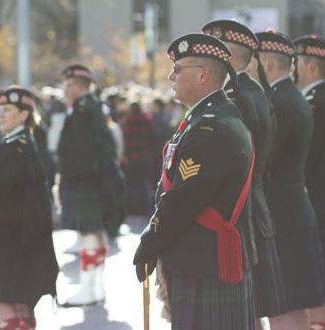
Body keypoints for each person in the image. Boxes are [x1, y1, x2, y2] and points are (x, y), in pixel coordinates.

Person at [133, 33, 257, 330]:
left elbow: (183, 199)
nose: (170, 76)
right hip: (202, 256)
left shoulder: (209, 127)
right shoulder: (208, 117)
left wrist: (149, 242)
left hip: (204, 261)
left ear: (203, 74)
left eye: (178, 69)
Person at [202, 20, 288, 328]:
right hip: (253, 208)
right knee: (249, 314)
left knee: (240, 316)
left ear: (224, 56)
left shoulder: (235, 97)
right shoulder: (254, 91)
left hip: (239, 213)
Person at [0, 86, 58, 330]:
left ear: (24, 114)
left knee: (8, 310)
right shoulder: (18, 142)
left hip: (8, 237)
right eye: (0, 109)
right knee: (21, 309)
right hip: (19, 236)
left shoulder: (14, 145)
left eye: (7, 109)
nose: (1, 114)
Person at [251, 29, 325, 330]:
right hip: (293, 210)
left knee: (283, 308)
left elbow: (265, 163)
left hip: (283, 213)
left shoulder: (282, 102)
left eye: (251, 63)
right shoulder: (289, 98)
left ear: (267, 66)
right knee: (293, 306)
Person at [58, 64, 121, 307]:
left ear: (76, 86)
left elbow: (86, 150)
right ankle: (95, 286)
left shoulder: (82, 110)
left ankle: (88, 287)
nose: (66, 91)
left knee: (89, 234)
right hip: (94, 180)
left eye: (67, 86)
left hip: (85, 181)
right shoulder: (93, 107)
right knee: (95, 233)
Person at [294, 34, 325, 330]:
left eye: (298, 63)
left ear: (312, 67)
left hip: (316, 203)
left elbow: (302, 162)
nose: (295, 70)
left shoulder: (314, 104)